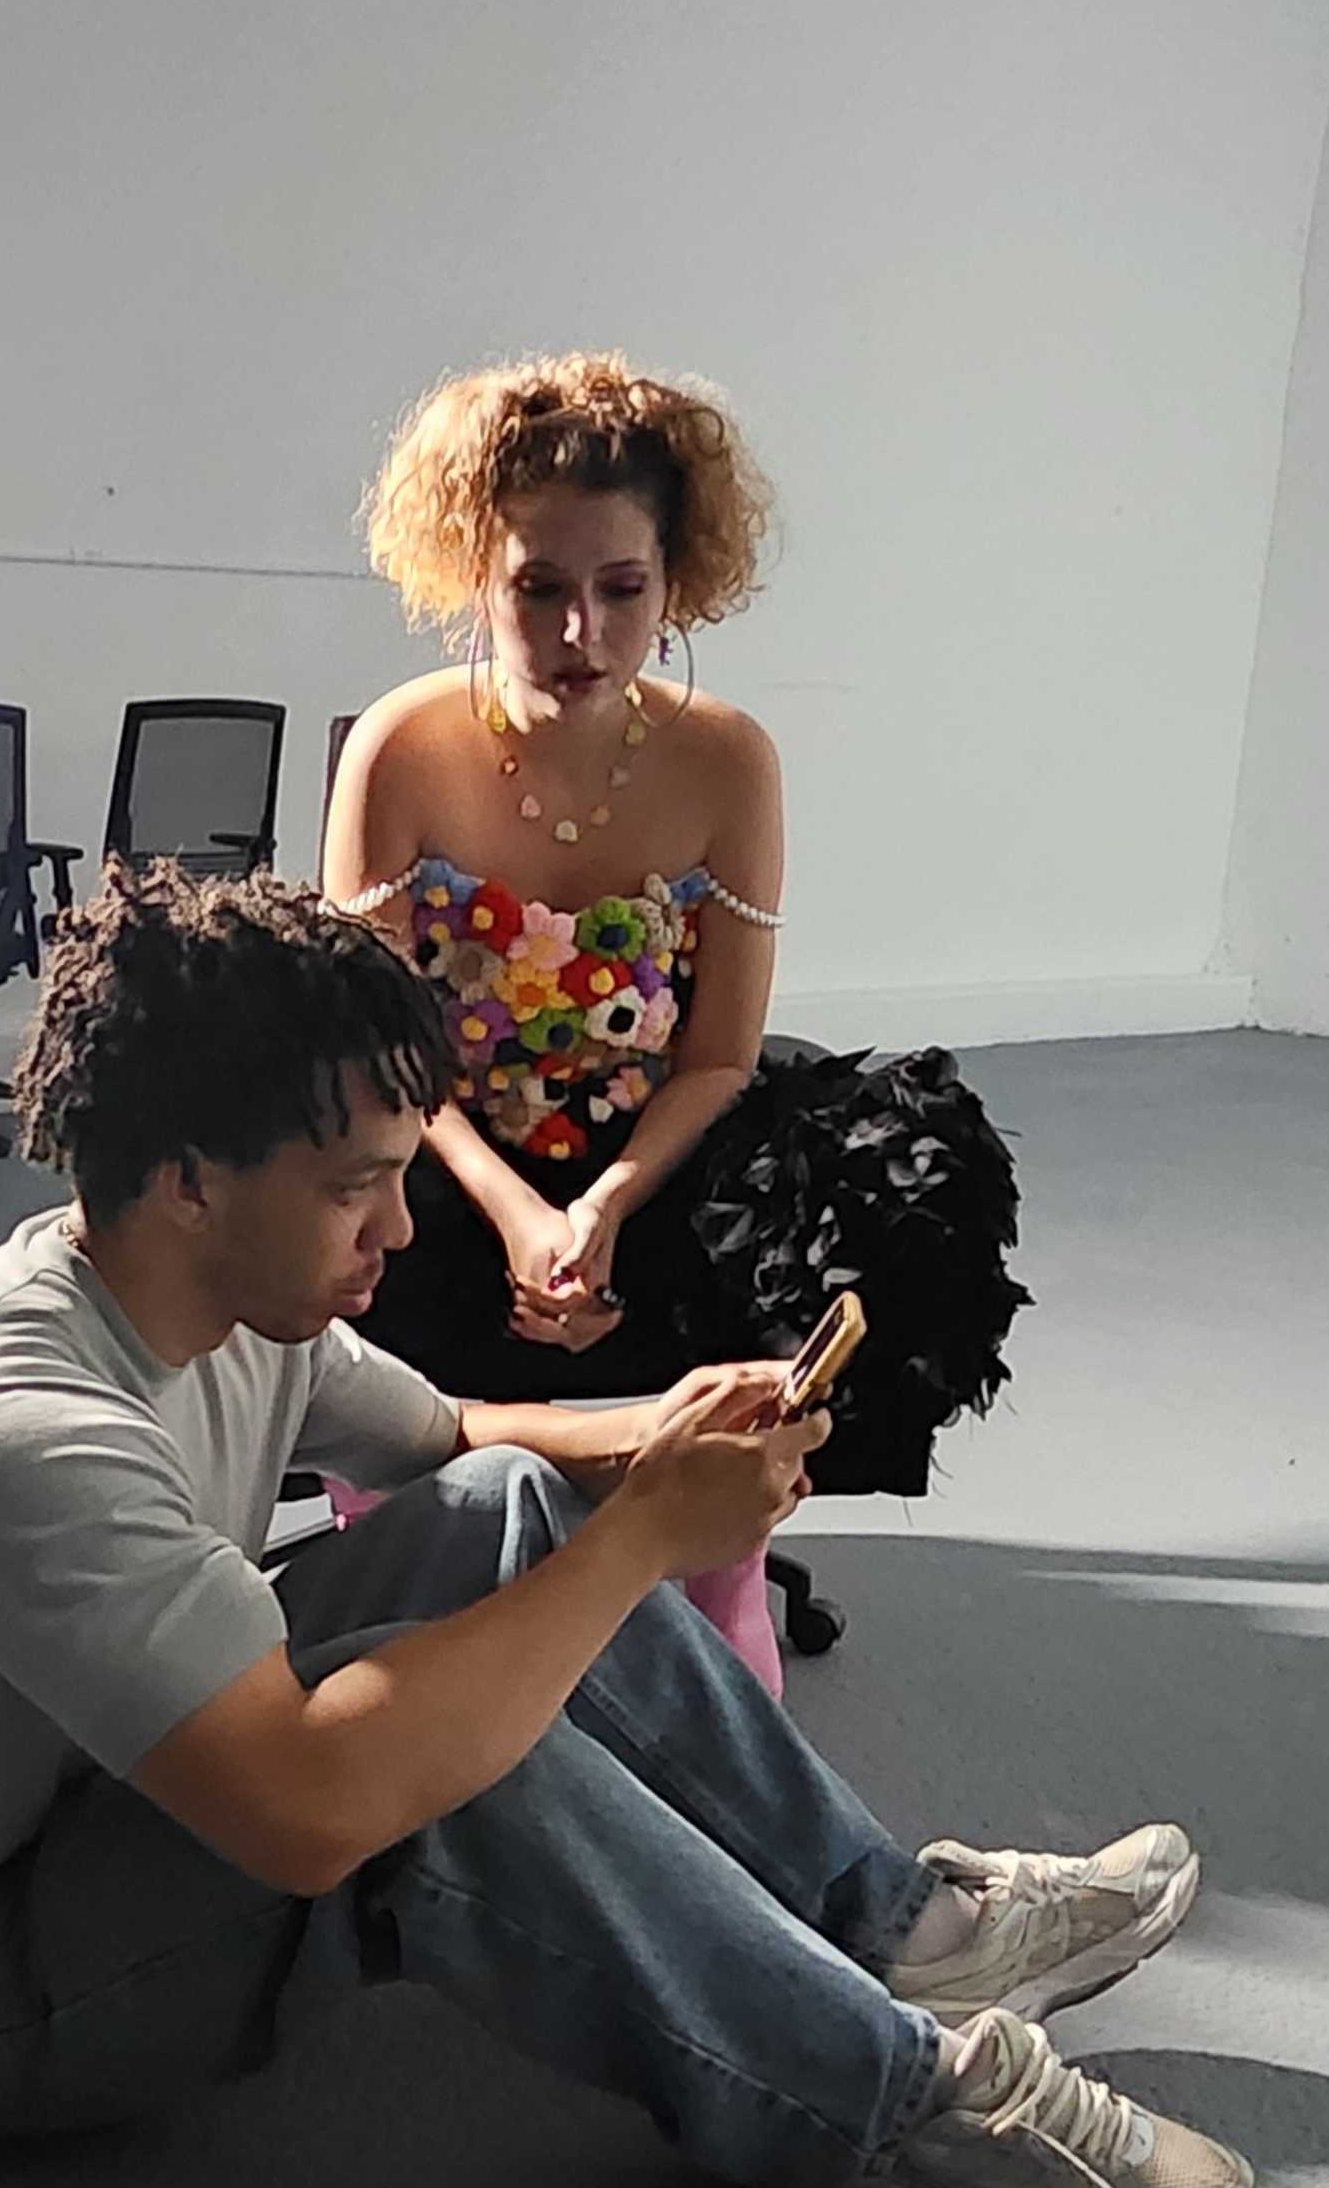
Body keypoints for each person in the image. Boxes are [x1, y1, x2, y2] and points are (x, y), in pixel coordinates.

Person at [0, 869, 1255, 2188]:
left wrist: (657, 1432)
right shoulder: (10, 1437)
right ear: (191, 1181)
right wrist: (650, 1535)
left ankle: (893, 1929)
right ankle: (902, 2107)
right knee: (443, 1770)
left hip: (92, 1779)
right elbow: (314, 1809)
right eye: (360, 1190)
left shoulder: (213, 1295)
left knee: (507, 1505)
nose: (401, 1233)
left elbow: (460, 1434)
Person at [327, 350, 1029, 1670]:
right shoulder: (401, 750)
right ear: (474, 575)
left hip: (656, 1157)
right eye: (537, 590)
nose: (579, 634)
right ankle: (416, 1613)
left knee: (853, 1212)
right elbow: (371, 1053)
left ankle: (716, 1593)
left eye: (620, 590)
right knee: (353, 1250)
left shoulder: (727, 761)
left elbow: (718, 1055)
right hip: (442, 1150)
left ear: (676, 581)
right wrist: (521, 1209)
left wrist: (596, 1210)